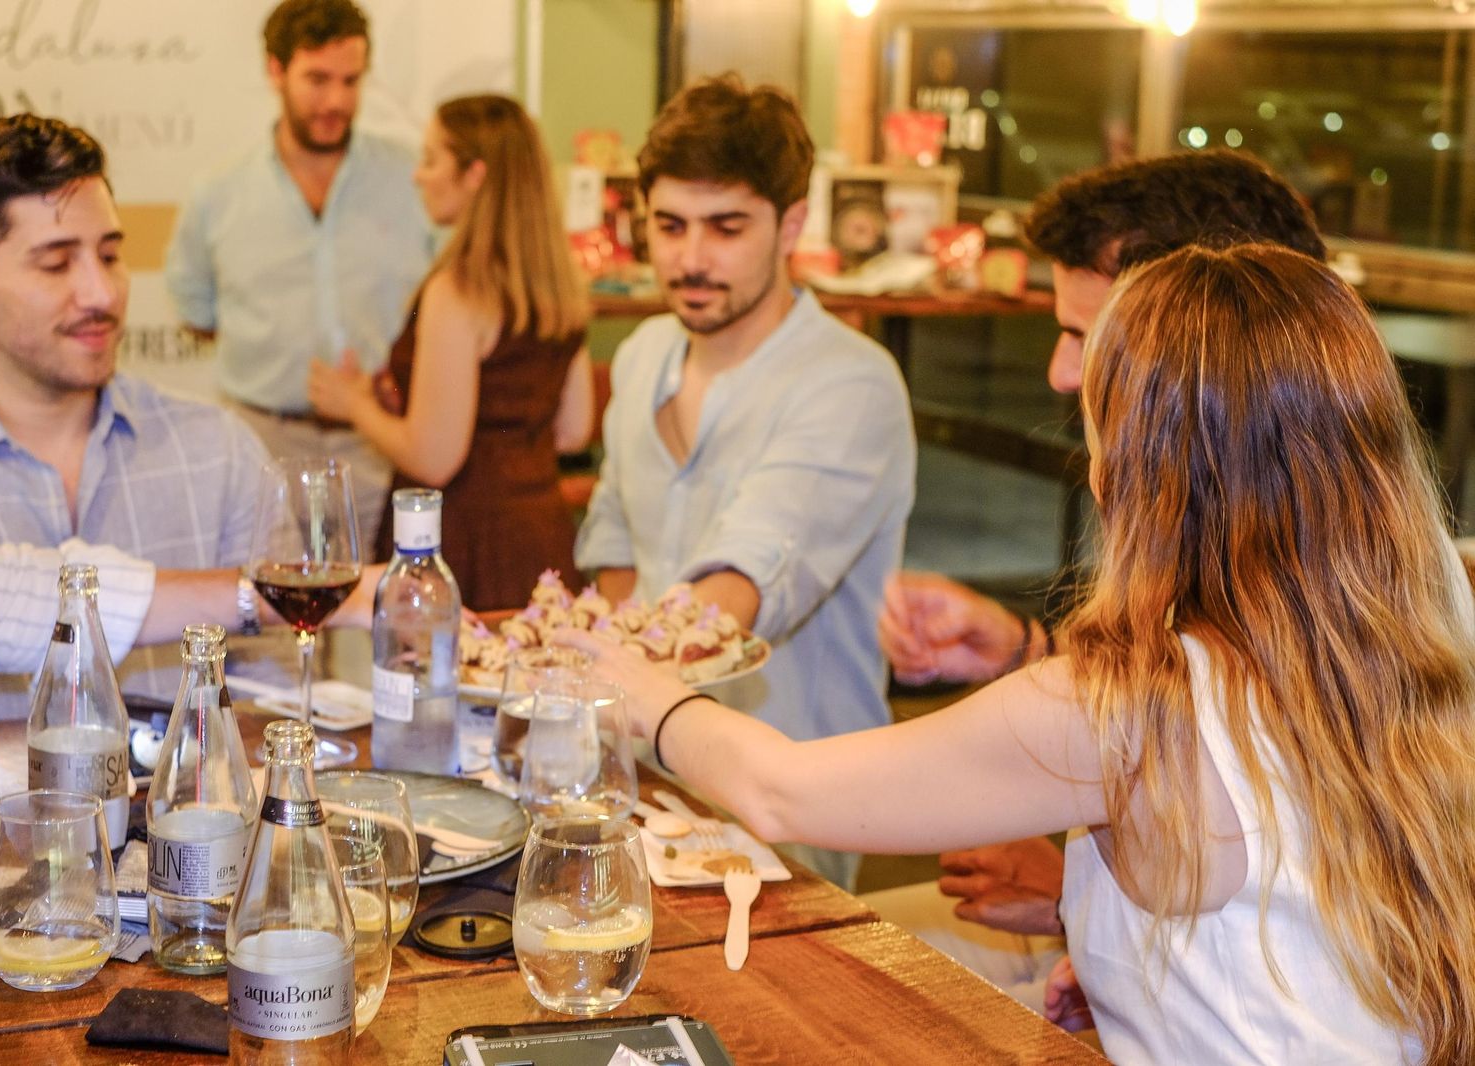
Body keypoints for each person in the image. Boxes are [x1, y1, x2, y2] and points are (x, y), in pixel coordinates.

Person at [566, 243, 1475, 1065]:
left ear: (1134, 464)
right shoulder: (1409, 646)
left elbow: (783, 790)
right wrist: (1144, 977)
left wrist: (641, 689)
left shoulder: (1122, 707)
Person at [871, 150, 1330, 993]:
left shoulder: (1326, 584)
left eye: (1089, 336)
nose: (1057, 371)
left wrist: (1078, 906)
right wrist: (1021, 648)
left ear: (1190, 336)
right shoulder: (1251, 513)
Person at [0, 110, 373, 680]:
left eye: (111, 256)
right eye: (57, 263)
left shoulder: (218, 452)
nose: (101, 293)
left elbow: (279, 703)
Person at [574, 75, 916, 888]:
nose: (691, 259)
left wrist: (586, 668)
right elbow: (616, 553)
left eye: (726, 228)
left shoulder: (849, 382)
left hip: (791, 813)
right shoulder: (642, 352)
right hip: (645, 780)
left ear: (791, 222)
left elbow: (739, 588)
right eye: (670, 226)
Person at [164, 0, 432, 557]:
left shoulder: (414, 180)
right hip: (262, 445)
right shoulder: (218, 193)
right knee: (269, 631)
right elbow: (197, 312)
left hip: (381, 446)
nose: (335, 100)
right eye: (317, 79)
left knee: (375, 629)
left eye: (350, 81)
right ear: (275, 71)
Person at [307, 94, 593, 609]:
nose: (419, 176)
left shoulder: (460, 290)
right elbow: (573, 429)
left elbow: (435, 459)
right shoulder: (560, 283)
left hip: (465, 544)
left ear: (475, 175)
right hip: (541, 537)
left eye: (432, 159)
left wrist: (354, 406)